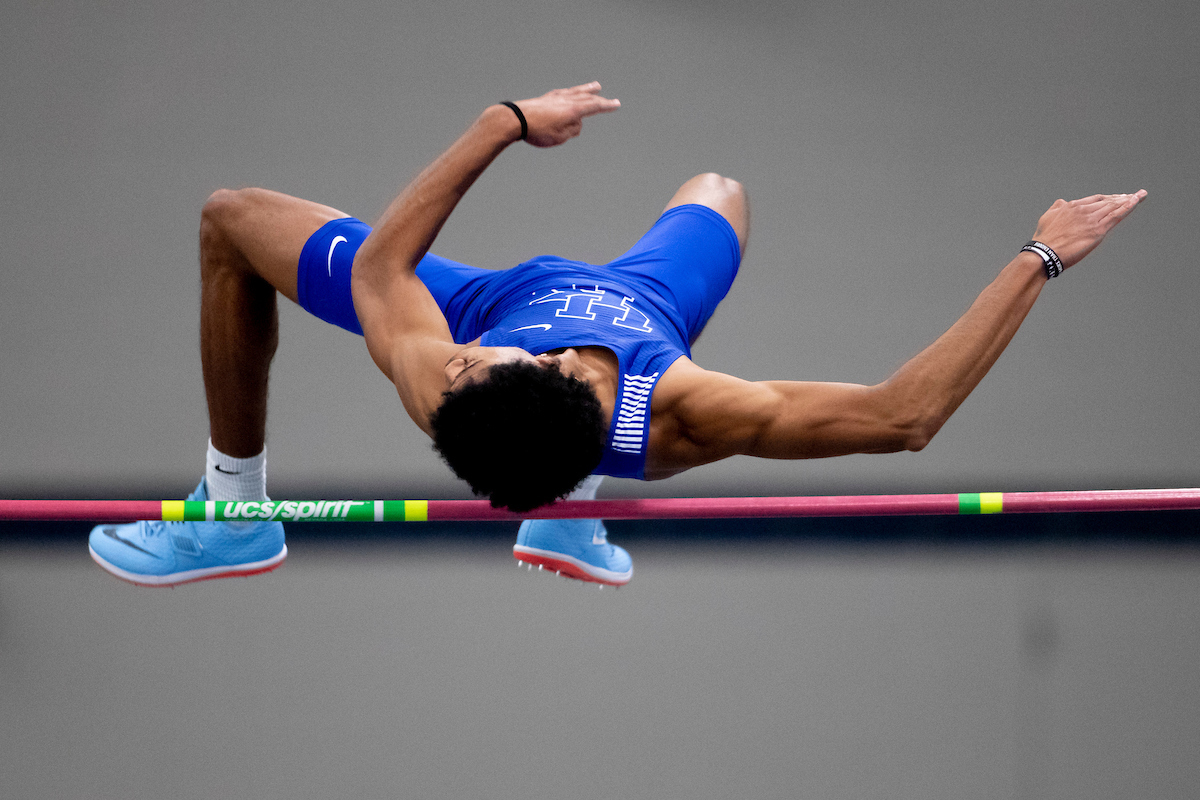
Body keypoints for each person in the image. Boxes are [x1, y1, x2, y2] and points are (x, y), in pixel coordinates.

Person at [87, 81, 1146, 588]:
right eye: (464, 368)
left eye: (454, 371)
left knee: (233, 217)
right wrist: (1038, 255)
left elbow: (383, 271)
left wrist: (503, 123)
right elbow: (902, 416)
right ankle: (240, 518)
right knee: (722, 188)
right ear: (544, 371)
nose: (441, 372)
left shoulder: (442, 371)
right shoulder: (684, 409)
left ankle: (232, 497)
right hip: (650, 311)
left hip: (492, 286)